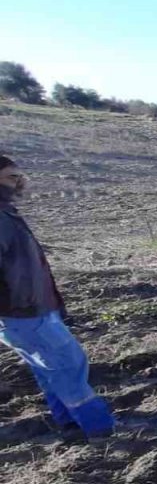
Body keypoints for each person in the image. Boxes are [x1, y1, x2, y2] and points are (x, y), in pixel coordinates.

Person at [0, 154, 115, 439]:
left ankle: (71, 423)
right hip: (24, 313)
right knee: (68, 364)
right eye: (12, 177)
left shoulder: (6, 213)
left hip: (30, 309)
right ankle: (99, 428)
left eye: (20, 176)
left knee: (50, 368)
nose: (21, 182)